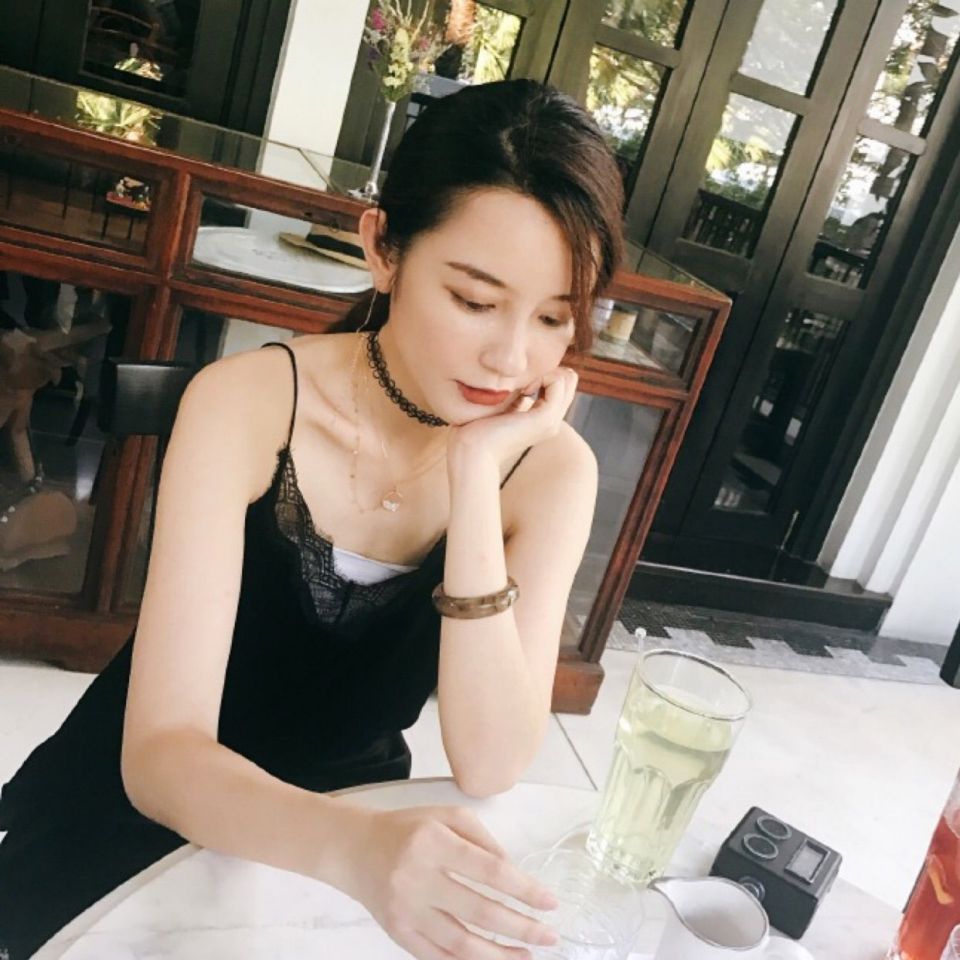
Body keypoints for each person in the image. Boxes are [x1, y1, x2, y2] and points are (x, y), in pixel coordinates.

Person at [0, 78, 624, 959]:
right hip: (153, 813)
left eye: (555, 318)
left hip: (358, 820)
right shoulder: (248, 404)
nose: (511, 357)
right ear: (383, 248)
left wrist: (476, 475)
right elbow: (162, 752)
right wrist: (356, 851)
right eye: (475, 301)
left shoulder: (550, 472)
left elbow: (490, 761)